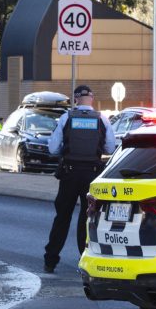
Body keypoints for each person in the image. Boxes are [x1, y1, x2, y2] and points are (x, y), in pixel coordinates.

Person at [43, 85, 116, 273]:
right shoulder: (102, 119)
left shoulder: (67, 117)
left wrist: (66, 152)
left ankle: (51, 260)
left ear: (76, 99)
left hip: (69, 173)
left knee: (62, 218)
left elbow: (52, 148)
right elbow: (110, 148)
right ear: (91, 99)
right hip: (91, 175)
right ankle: (84, 259)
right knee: (87, 218)